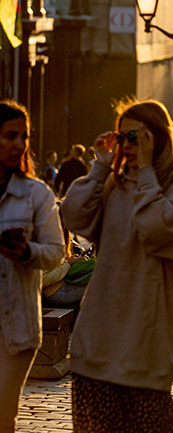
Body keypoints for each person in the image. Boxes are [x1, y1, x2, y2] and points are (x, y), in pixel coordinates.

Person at [61, 98, 173, 431]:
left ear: (158, 138)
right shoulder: (114, 184)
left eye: (136, 137)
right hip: (98, 342)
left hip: (146, 346)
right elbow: (73, 216)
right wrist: (100, 167)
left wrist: (147, 174)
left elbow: (155, 228)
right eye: (122, 137)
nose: (128, 146)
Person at [0, 100, 65, 433]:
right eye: (10, 135)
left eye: (23, 137)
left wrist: (26, 252)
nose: (19, 144)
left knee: (3, 413)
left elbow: (56, 252)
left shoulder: (36, 194)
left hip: (17, 325)